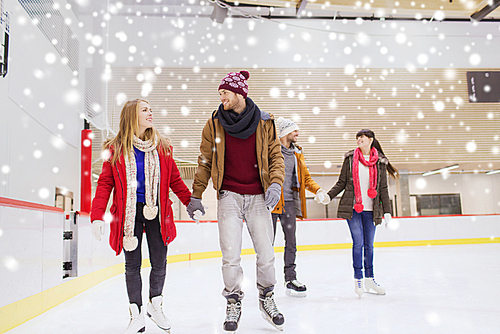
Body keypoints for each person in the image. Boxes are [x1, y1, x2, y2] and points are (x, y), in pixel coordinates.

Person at [186, 70, 286, 332]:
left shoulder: (265, 122)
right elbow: (205, 160)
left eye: (225, 93)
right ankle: (233, 300)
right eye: (220, 94)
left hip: (259, 196)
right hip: (229, 195)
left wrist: (275, 184)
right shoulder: (215, 123)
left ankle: (266, 298)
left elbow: (276, 157)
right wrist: (196, 194)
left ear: (240, 93)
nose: (222, 98)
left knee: (266, 253)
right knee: (230, 256)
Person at [90, 99, 192, 333]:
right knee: (132, 266)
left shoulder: (162, 146)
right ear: (131, 116)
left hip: (157, 211)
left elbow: (175, 179)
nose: (150, 112)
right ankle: (135, 313)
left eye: (150, 109)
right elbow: (105, 184)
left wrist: (189, 202)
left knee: (159, 262)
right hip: (128, 215)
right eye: (144, 110)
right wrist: (97, 215)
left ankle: (155, 305)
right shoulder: (115, 148)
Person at [316, 129, 398, 298]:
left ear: (371, 140)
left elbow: (383, 189)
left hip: (372, 210)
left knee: (369, 245)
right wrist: (328, 197)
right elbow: (342, 183)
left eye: (362, 137)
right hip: (354, 209)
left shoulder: (380, 162)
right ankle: (358, 278)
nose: (359, 139)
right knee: (358, 243)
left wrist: (387, 212)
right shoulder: (350, 159)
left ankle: (370, 278)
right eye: (357, 137)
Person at [271, 117, 328, 297]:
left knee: (291, 242)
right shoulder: (270, 151)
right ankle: (266, 282)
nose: (298, 134)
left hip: (289, 203)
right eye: (295, 131)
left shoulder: (297, 153)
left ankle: (290, 279)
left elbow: (305, 178)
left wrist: (318, 190)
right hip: (271, 203)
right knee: (266, 244)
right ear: (285, 133)